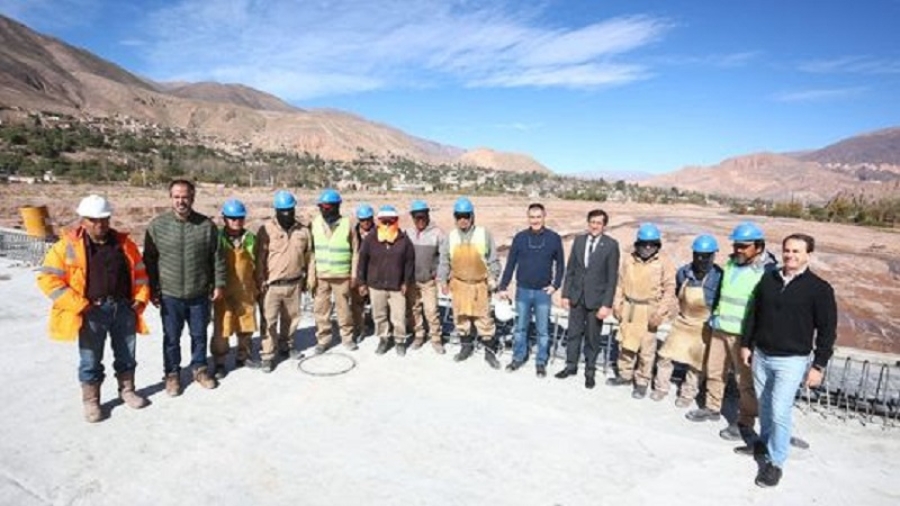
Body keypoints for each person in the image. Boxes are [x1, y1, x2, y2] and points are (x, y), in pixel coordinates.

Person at [37, 195, 150, 422]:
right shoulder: (67, 246)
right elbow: (48, 279)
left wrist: (140, 299)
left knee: (127, 355)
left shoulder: (124, 244)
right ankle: (91, 401)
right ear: (83, 220)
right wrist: (80, 305)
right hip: (91, 312)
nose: (100, 224)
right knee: (90, 359)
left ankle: (127, 390)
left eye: (104, 219)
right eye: (93, 220)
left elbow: (140, 274)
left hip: (123, 309)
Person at [737, 233, 837, 488]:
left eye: (796, 251)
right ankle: (764, 445)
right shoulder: (768, 279)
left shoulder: (819, 289)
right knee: (765, 405)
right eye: (787, 250)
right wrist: (747, 344)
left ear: (808, 255)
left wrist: (818, 365)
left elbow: (827, 331)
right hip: (762, 355)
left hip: (791, 360)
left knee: (780, 410)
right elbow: (754, 314)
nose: (790, 255)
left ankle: (776, 462)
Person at [686, 222, 777, 442]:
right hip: (720, 327)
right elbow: (722, 293)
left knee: (744, 381)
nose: (738, 250)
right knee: (715, 371)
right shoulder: (730, 263)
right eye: (736, 245)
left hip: (743, 335)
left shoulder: (767, 271)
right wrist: (715, 316)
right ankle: (712, 407)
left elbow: (765, 308)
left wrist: (753, 339)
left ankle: (745, 421)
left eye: (744, 246)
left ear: (758, 247)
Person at [143, 180, 225, 396]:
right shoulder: (157, 226)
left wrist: (218, 283)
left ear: (192, 198)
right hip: (170, 294)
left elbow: (217, 258)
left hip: (199, 293)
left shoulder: (206, 226)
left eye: (185, 197)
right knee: (171, 338)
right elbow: (149, 261)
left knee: (199, 335)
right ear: (171, 198)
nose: (181, 201)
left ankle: (200, 369)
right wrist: (151, 289)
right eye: (177, 197)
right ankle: (172, 374)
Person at [650, 234, 723, 406]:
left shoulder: (718, 276)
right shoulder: (684, 272)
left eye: (706, 256)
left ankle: (688, 394)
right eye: (698, 255)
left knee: (697, 363)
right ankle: (661, 387)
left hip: (703, 324)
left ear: (713, 255)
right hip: (683, 321)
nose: (701, 259)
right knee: (665, 355)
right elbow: (678, 293)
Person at [608, 223, 676, 399]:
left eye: (651, 244)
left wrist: (660, 313)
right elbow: (620, 284)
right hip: (629, 307)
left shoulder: (664, 262)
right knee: (625, 344)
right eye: (644, 244)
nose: (647, 248)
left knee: (646, 350)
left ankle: (642, 381)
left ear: (657, 245)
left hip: (649, 310)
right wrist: (617, 304)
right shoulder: (629, 259)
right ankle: (624, 375)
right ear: (638, 244)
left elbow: (669, 290)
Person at [498, 203, 565, 378]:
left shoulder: (554, 238)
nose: (535, 221)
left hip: (543, 292)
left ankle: (541, 362)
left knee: (543, 330)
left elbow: (561, 265)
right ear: (528, 218)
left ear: (544, 217)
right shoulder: (520, 238)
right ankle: (518, 357)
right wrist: (503, 286)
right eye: (532, 217)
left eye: (538, 217)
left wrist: (555, 285)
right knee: (520, 328)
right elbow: (511, 263)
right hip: (523, 291)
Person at [556, 209, 619, 389]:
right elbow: (571, 270)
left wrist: (606, 304)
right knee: (573, 334)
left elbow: (612, 278)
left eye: (599, 223)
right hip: (576, 297)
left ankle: (590, 371)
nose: (595, 226)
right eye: (592, 222)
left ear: (604, 225)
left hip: (596, 300)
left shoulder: (611, 245)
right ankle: (571, 366)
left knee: (593, 337)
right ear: (588, 223)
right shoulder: (579, 241)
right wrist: (565, 294)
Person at [437, 197, 503, 368]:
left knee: (484, 319)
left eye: (466, 216)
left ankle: (489, 352)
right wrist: (443, 280)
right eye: (459, 216)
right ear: (455, 217)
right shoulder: (451, 236)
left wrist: (494, 278)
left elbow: (493, 260)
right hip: (459, 284)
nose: (462, 219)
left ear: (472, 216)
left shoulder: (484, 234)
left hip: (480, 285)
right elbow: (444, 261)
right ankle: (466, 348)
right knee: (461, 318)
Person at [256, 190, 314, 372]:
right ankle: (267, 355)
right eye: (283, 210)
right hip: (272, 286)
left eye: (290, 209)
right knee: (269, 321)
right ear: (276, 210)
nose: (287, 213)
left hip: (295, 284)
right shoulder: (266, 230)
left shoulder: (303, 231)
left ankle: (286, 346)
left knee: (292, 319)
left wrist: (309, 278)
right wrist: (260, 280)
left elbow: (309, 257)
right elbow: (259, 258)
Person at [357, 205, 416, 355]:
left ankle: (399, 341)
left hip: (397, 286)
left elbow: (409, 262)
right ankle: (383, 339)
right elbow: (362, 261)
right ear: (379, 221)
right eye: (384, 221)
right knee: (379, 315)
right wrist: (361, 282)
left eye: (391, 221)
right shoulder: (371, 239)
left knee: (399, 316)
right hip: (376, 285)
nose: (388, 224)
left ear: (396, 220)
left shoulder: (403, 240)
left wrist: (406, 282)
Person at [210, 199, 258, 379]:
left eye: (240, 218)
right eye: (232, 218)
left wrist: (258, 285)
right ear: (225, 219)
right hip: (223, 290)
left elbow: (257, 263)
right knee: (222, 328)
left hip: (245, 289)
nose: (237, 221)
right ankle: (220, 362)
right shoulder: (217, 238)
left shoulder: (250, 238)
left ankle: (243, 356)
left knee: (246, 324)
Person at [310, 188, 359, 353]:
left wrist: (354, 275)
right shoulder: (315, 223)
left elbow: (356, 251)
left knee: (343, 308)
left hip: (341, 275)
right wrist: (311, 276)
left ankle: (347, 337)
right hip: (322, 275)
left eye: (328, 207)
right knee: (321, 309)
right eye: (322, 207)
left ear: (336, 206)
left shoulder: (348, 224)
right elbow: (311, 252)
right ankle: (323, 340)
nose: (325, 210)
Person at [405, 199, 446, 354]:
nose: (420, 220)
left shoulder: (437, 234)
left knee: (431, 311)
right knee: (414, 309)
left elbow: (444, 257)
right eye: (417, 217)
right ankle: (419, 335)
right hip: (412, 280)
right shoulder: (408, 233)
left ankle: (436, 339)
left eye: (422, 217)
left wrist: (438, 274)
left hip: (429, 281)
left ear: (428, 215)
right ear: (412, 217)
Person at [351, 203, 376, 341]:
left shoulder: (379, 232)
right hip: (358, 273)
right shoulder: (353, 233)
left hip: (375, 273)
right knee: (357, 303)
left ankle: (379, 327)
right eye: (362, 220)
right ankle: (358, 328)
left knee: (378, 302)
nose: (366, 222)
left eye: (368, 219)